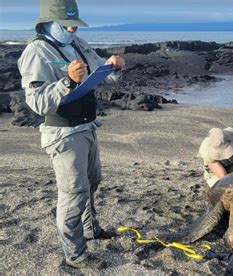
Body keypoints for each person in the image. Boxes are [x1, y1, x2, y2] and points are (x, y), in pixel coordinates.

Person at [17, 0, 125, 269]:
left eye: (75, 24)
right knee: (74, 192)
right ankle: (75, 255)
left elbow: (100, 71)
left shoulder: (78, 43)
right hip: (63, 132)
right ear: (49, 23)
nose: (72, 29)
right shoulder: (36, 52)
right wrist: (67, 81)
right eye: (67, 25)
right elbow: (38, 101)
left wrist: (114, 66)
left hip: (87, 126)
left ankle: (90, 229)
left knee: (93, 180)